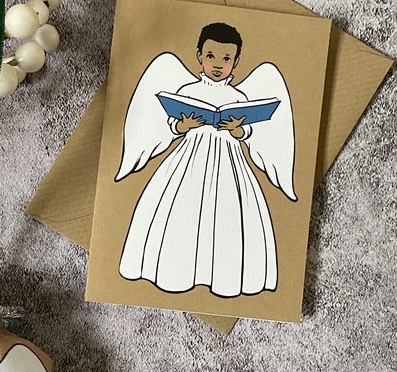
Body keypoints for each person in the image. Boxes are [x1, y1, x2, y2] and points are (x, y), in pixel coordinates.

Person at [118, 23, 293, 298]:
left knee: (226, 215)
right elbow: (172, 123)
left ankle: (221, 275)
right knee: (182, 209)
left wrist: (239, 130)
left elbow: (247, 131)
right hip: (189, 158)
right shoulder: (188, 88)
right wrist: (182, 126)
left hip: (229, 162)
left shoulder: (238, 97)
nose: (217, 64)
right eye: (211, 56)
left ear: (235, 62)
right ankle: (176, 271)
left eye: (226, 59)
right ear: (199, 55)